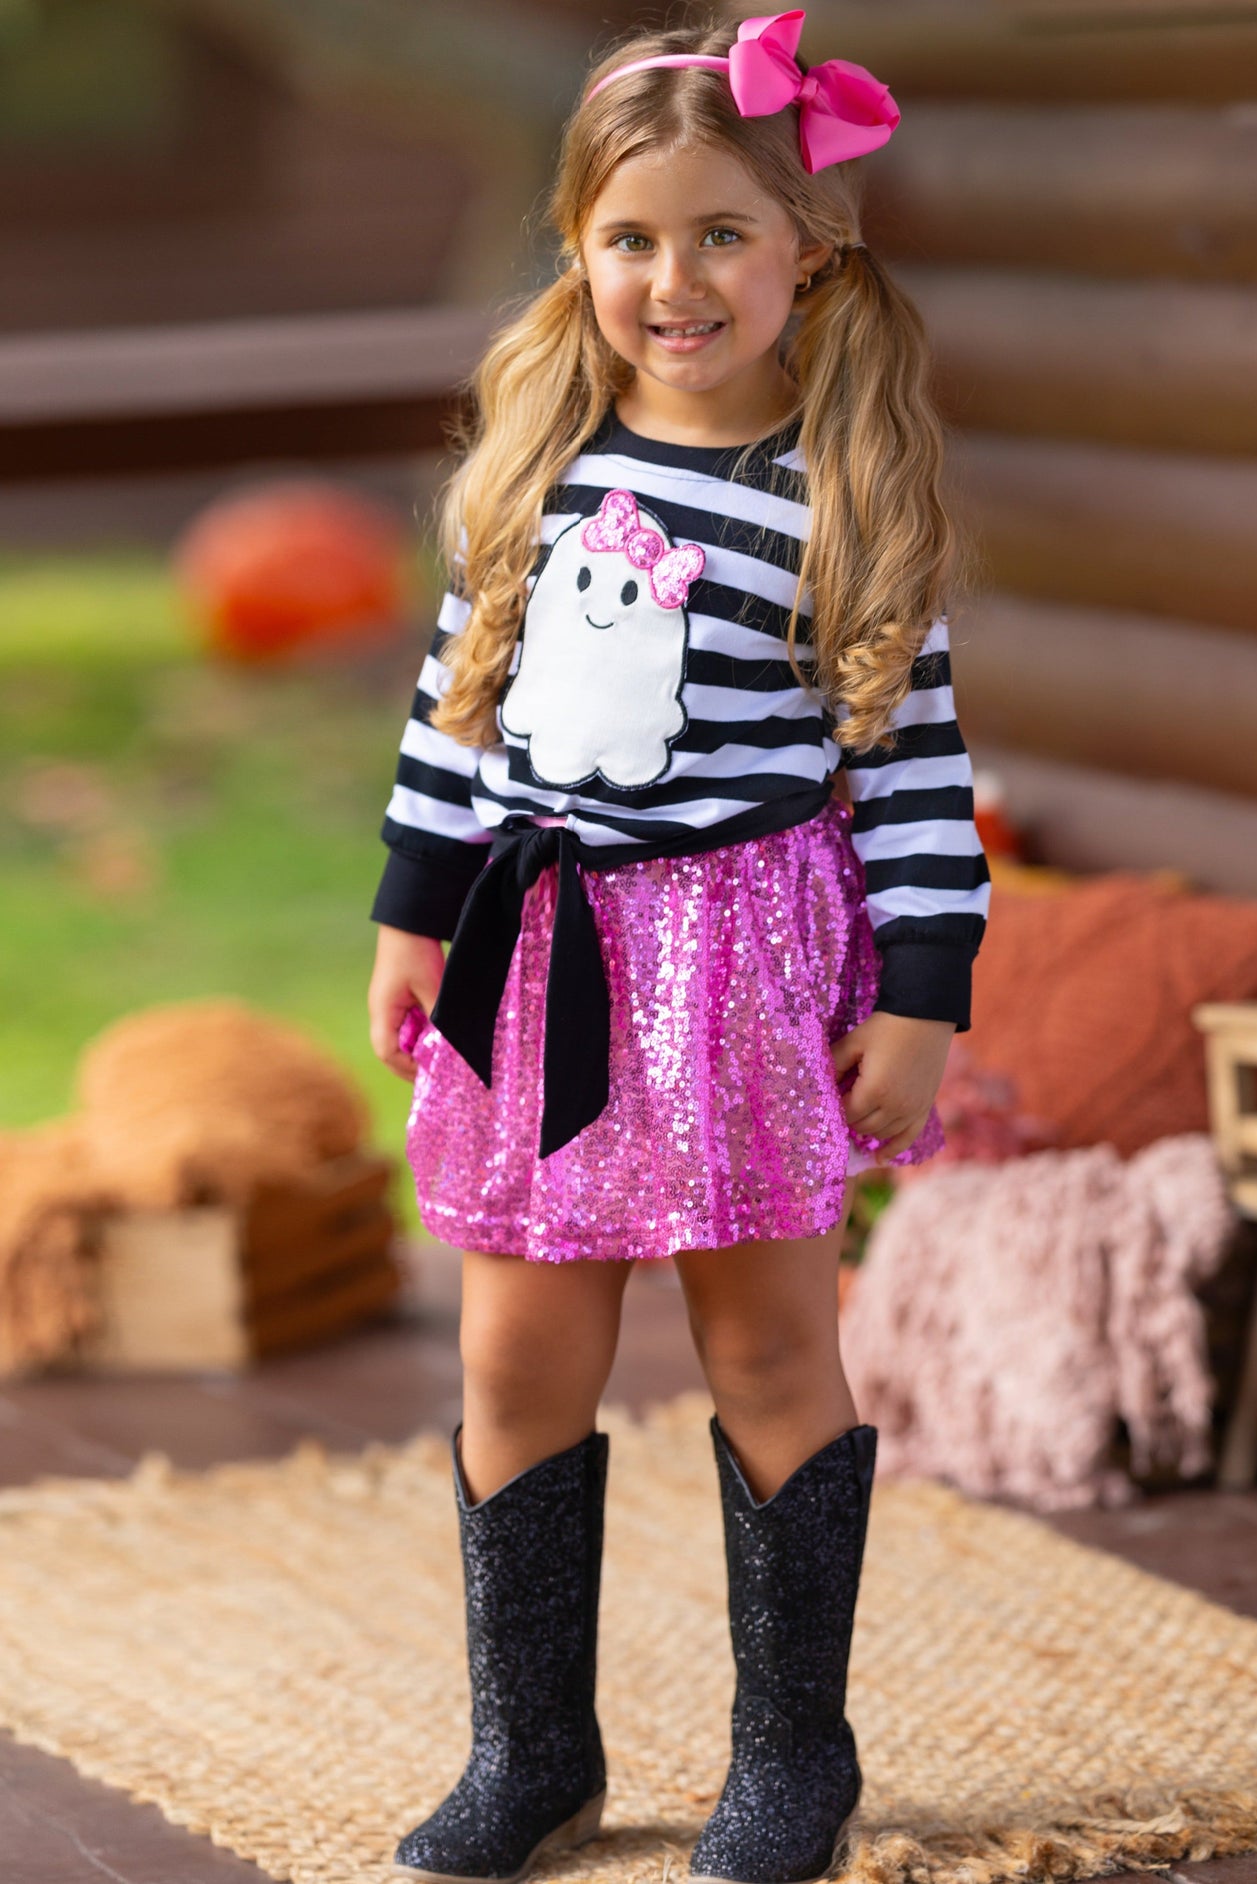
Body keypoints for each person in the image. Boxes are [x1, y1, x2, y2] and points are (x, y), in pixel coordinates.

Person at [366, 12, 990, 1883]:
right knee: (516, 1359)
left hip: (738, 972)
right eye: (632, 237)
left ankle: (795, 1758)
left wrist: (923, 1003)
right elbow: (455, 711)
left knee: (772, 1350)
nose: (676, 278)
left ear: (810, 246)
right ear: (580, 250)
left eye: (723, 233)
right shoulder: (537, 467)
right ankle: (532, 1753)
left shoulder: (838, 494)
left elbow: (916, 778)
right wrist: (411, 917)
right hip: (536, 954)